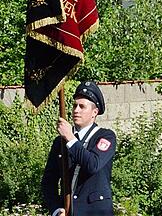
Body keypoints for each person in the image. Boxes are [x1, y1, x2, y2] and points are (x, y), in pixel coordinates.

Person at [42, 81, 117, 216]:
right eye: (75, 105)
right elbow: (48, 182)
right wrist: (56, 209)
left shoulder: (105, 136)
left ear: (94, 112)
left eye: (82, 106)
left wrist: (70, 138)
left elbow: (92, 165)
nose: (76, 110)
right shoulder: (60, 142)